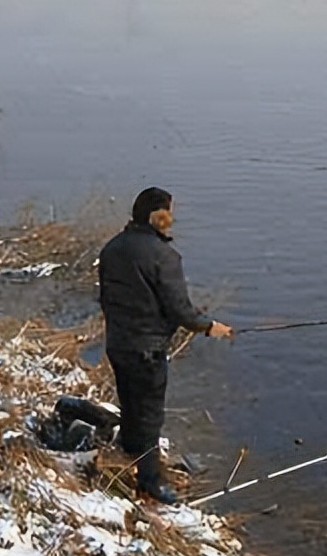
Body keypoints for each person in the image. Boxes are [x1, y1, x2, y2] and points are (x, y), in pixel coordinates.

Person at [98, 187, 233, 504]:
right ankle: (149, 483)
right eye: (169, 212)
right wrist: (210, 326)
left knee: (130, 400)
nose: (172, 219)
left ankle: (131, 451)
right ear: (158, 217)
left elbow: (107, 299)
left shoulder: (111, 248)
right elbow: (179, 310)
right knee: (149, 415)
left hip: (118, 343)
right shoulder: (164, 256)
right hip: (147, 349)